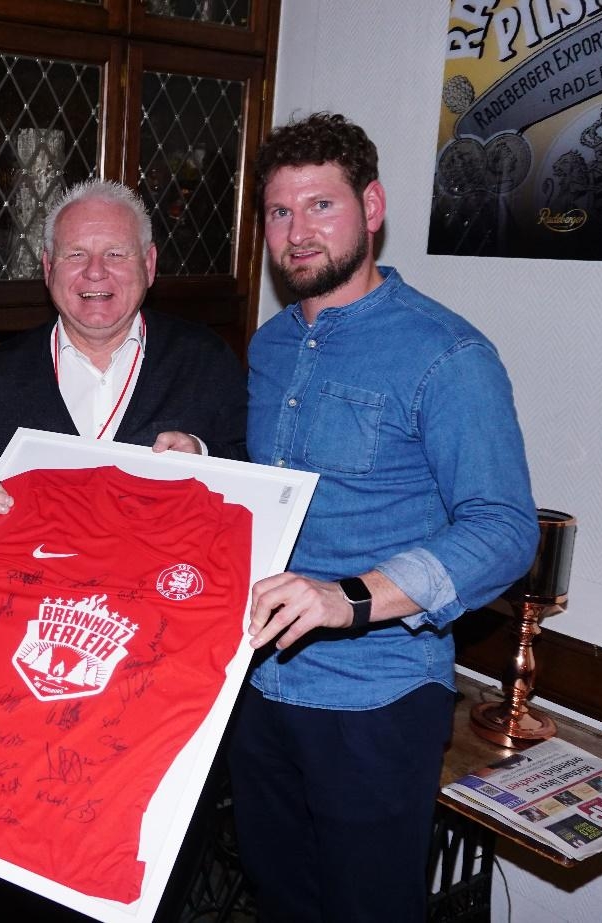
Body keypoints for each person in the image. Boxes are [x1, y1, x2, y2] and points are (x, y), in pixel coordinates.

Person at [229, 112, 539, 921]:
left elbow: (504, 528)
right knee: (278, 898)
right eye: (278, 211)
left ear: (371, 207)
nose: (296, 232)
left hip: (376, 702)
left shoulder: (447, 354)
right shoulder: (267, 346)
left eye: (319, 206)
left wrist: (350, 597)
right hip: (257, 686)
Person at [0, 178, 246, 517]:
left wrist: (205, 457)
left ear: (149, 265)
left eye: (115, 254)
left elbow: (256, 468)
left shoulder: (206, 361)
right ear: (48, 268)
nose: (95, 272)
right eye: (76, 254)